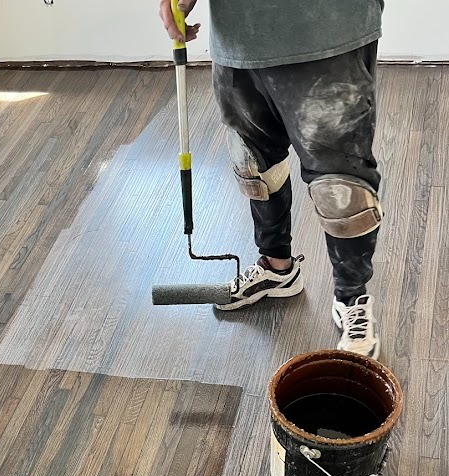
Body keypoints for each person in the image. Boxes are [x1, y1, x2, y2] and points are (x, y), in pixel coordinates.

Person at [159, 0, 384, 359]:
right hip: (238, 37)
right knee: (255, 165)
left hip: (326, 30)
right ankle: (277, 269)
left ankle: (351, 298)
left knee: (341, 190)